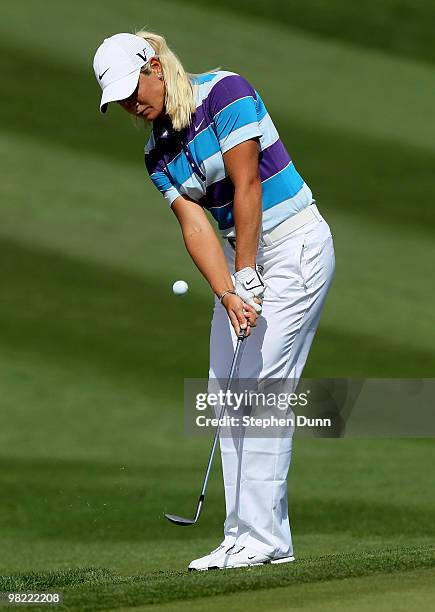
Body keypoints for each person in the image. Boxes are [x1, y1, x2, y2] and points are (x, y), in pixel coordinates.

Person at [93, 30, 335, 571]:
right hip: (240, 257)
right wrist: (228, 291)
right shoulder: (158, 154)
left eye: (134, 89)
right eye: (122, 101)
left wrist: (247, 273)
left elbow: (247, 185)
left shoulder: (226, 93)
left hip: (294, 243)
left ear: (154, 66)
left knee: (265, 387)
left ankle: (264, 537)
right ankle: (241, 534)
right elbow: (196, 227)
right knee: (225, 390)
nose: (134, 104)